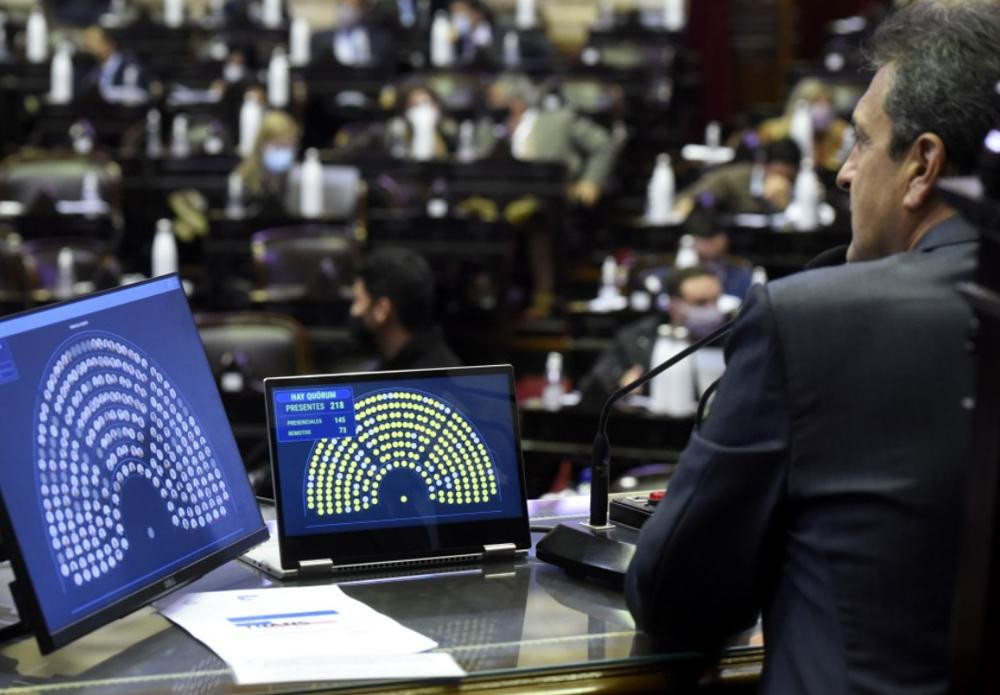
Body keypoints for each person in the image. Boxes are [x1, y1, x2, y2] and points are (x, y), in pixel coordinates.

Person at [626, 3, 1000, 693]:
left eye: (860, 141)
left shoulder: (809, 320)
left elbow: (674, 601)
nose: (844, 173)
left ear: (923, 165)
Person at [478, 73, 623, 317]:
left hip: (548, 200)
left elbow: (604, 145)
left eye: (495, 99)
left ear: (515, 101)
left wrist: (590, 181)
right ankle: (486, 291)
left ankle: (543, 294)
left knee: (536, 217)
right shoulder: (489, 128)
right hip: (498, 199)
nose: (490, 105)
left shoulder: (558, 121)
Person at [578, 267, 724, 406]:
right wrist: (619, 385)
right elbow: (593, 387)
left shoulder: (732, 338)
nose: (711, 310)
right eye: (701, 302)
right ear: (673, 303)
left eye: (715, 301)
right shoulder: (635, 339)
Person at [349, 246, 462, 371]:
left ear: (381, 309)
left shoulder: (426, 380)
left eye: (358, 301)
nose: (354, 311)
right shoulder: (395, 363)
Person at [673, 138, 801, 219]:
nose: (782, 182)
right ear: (763, 165)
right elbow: (691, 199)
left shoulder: (803, 184)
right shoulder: (732, 179)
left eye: (788, 178)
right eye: (776, 174)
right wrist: (708, 204)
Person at [757, 77, 851, 173]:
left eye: (828, 103)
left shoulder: (840, 131)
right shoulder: (772, 131)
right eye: (816, 102)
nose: (824, 109)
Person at [231, 109, 300, 216]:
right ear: (262, 144)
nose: (283, 152)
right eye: (278, 146)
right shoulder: (241, 180)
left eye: (288, 146)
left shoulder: (299, 179)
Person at [79, 25, 150, 104]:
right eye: (87, 42)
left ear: (109, 44)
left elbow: (140, 94)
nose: (88, 46)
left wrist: (106, 94)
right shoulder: (89, 69)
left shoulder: (129, 65)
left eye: (94, 41)